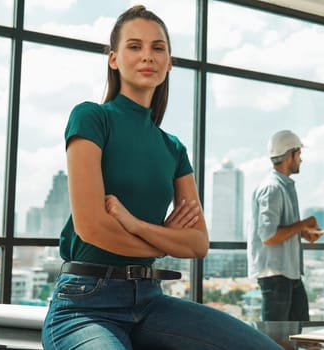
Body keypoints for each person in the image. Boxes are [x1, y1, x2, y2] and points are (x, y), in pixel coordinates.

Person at [41, 6, 280, 350]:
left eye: (158, 48)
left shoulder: (173, 148)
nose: (147, 56)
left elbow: (198, 244)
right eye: (134, 46)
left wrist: (134, 224)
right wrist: (166, 241)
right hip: (85, 304)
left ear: (169, 62)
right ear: (113, 59)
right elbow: (92, 228)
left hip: (152, 300)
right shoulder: (91, 118)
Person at [248, 130, 322, 321]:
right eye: (299, 154)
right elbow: (269, 236)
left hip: (289, 273)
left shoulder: (283, 186)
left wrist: (303, 232)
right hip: (276, 275)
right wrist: (303, 223)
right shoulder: (272, 188)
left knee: (300, 333)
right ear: (290, 155)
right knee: (276, 339)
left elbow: (281, 230)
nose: (301, 159)